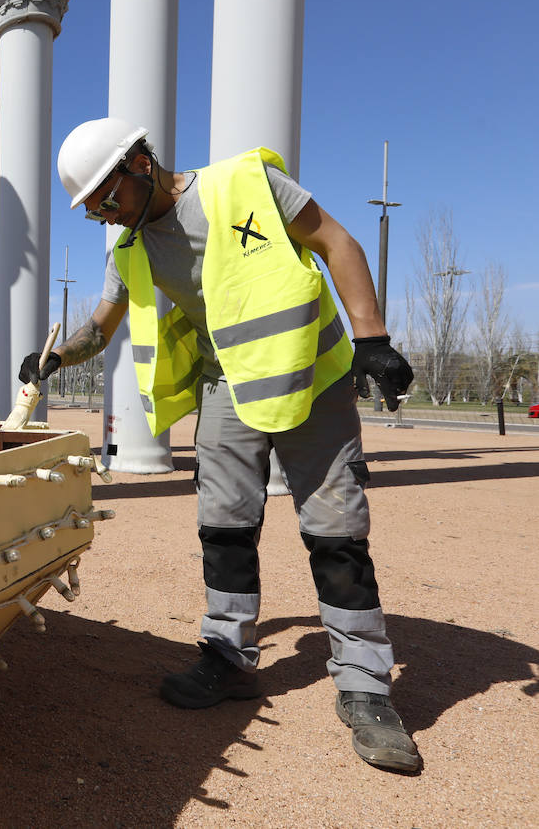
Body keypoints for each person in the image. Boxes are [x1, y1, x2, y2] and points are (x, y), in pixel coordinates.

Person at [25, 117, 420, 773]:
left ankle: (365, 685)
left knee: (336, 530)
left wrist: (371, 338)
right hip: (228, 386)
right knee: (224, 524)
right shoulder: (129, 250)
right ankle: (228, 657)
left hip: (309, 377)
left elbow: (337, 240)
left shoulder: (245, 184)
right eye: (90, 206)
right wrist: (54, 358)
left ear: (140, 165)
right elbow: (101, 327)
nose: (100, 213)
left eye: (105, 196)